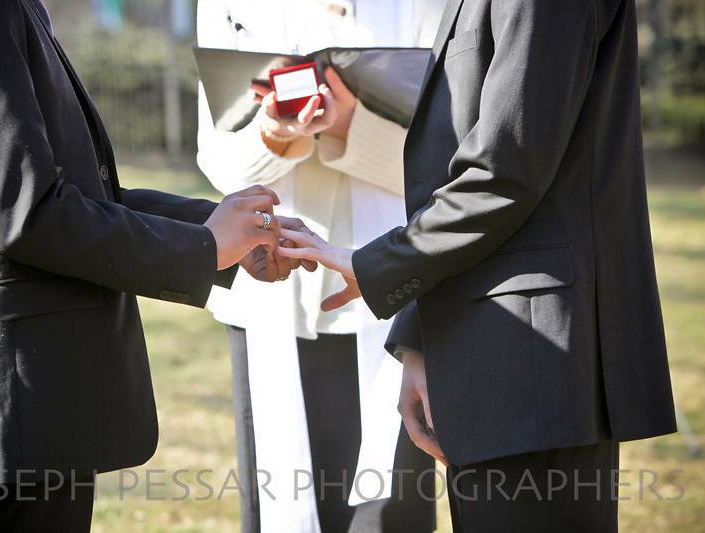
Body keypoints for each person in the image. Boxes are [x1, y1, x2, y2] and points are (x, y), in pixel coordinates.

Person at [279, 0, 678, 531]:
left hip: (540, 357)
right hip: (489, 347)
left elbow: (505, 169)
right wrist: (419, 337)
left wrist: (374, 264)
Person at [0, 1, 306, 531]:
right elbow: (27, 213)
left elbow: (74, 193)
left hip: (34, 385)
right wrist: (202, 248)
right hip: (10, 383)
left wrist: (217, 227)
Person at [196, 1, 443, 531]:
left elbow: (454, 158)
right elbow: (218, 162)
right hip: (272, 295)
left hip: (393, 292)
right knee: (280, 501)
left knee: (391, 509)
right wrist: (278, 137)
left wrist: (348, 123)